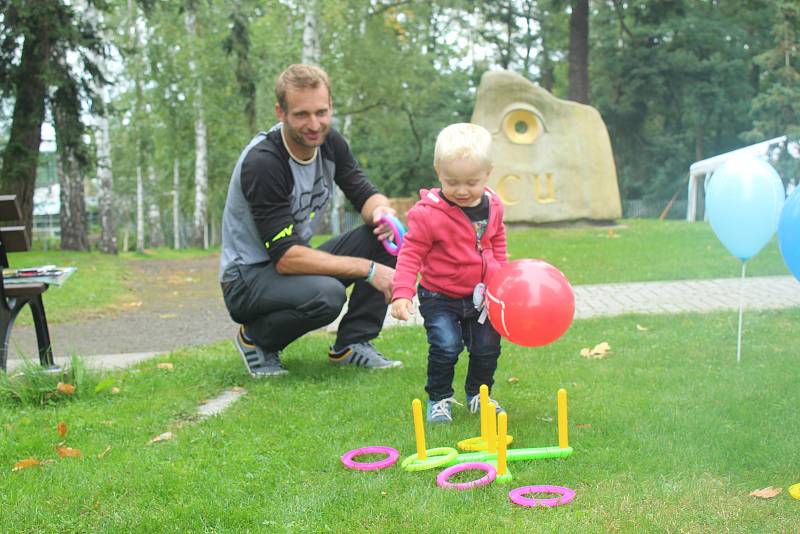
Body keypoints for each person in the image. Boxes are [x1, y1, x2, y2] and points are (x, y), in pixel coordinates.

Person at [220, 64, 402, 378]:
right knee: (327, 295)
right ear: (281, 112)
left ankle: (352, 344)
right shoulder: (264, 163)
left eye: (322, 112)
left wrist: (382, 212)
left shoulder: (330, 143)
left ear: (331, 107)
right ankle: (256, 339)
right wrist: (369, 270)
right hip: (246, 278)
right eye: (302, 115)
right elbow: (287, 259)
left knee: (384, 237)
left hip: (287, 264)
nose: (314, 124)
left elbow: (365, 193)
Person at [390, 123, 508, 422]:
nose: (462, 190)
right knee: (446, 345)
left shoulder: (494, 205)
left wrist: (504, 280)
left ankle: (479, 395)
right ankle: (439, 399)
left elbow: (497, 240)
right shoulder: (427, 214)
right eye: (451, 181)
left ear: (488, 173)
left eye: (471, 181)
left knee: (486, 348)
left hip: (482, 296)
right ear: (437, 171)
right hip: (439, 296)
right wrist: (402, 293)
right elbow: (410, 253)